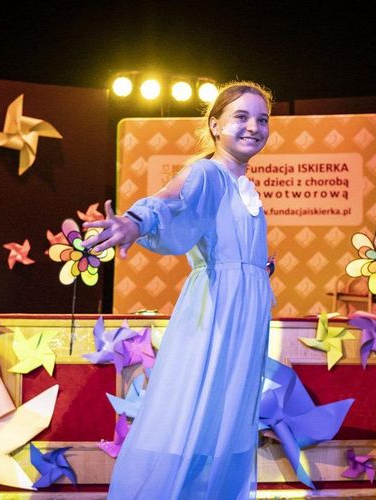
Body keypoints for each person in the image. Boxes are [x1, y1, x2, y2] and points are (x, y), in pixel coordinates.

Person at [83, 81, 274, 499]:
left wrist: (258, 270)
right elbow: (168, 202)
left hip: (245, 312)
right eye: (241, 117)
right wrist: (134, 222)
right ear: (215, 125)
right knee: (194, 406)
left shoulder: (243, 185)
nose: (253, 127)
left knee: (226, 415)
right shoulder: (207, 173)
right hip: (217, 308)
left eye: (262, 119)